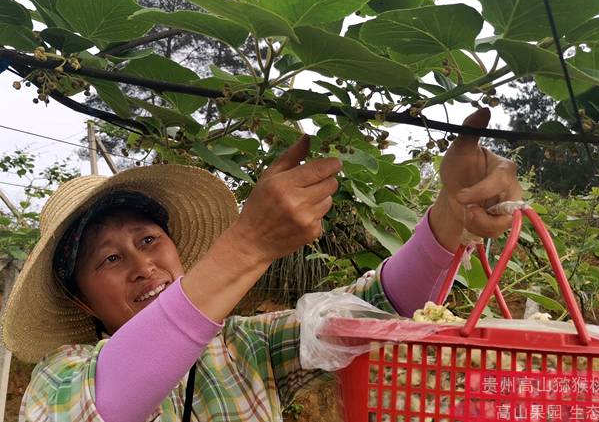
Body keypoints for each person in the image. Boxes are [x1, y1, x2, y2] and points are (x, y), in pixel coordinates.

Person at [1, 108, 522, 422]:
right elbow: (108, 401)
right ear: (78, 296)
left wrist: (452, 216)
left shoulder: (241, 348)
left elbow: (375, 311)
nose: (143, 264)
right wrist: (248, 244)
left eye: (149, 239)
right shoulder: (58, 380)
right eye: (110, 258)